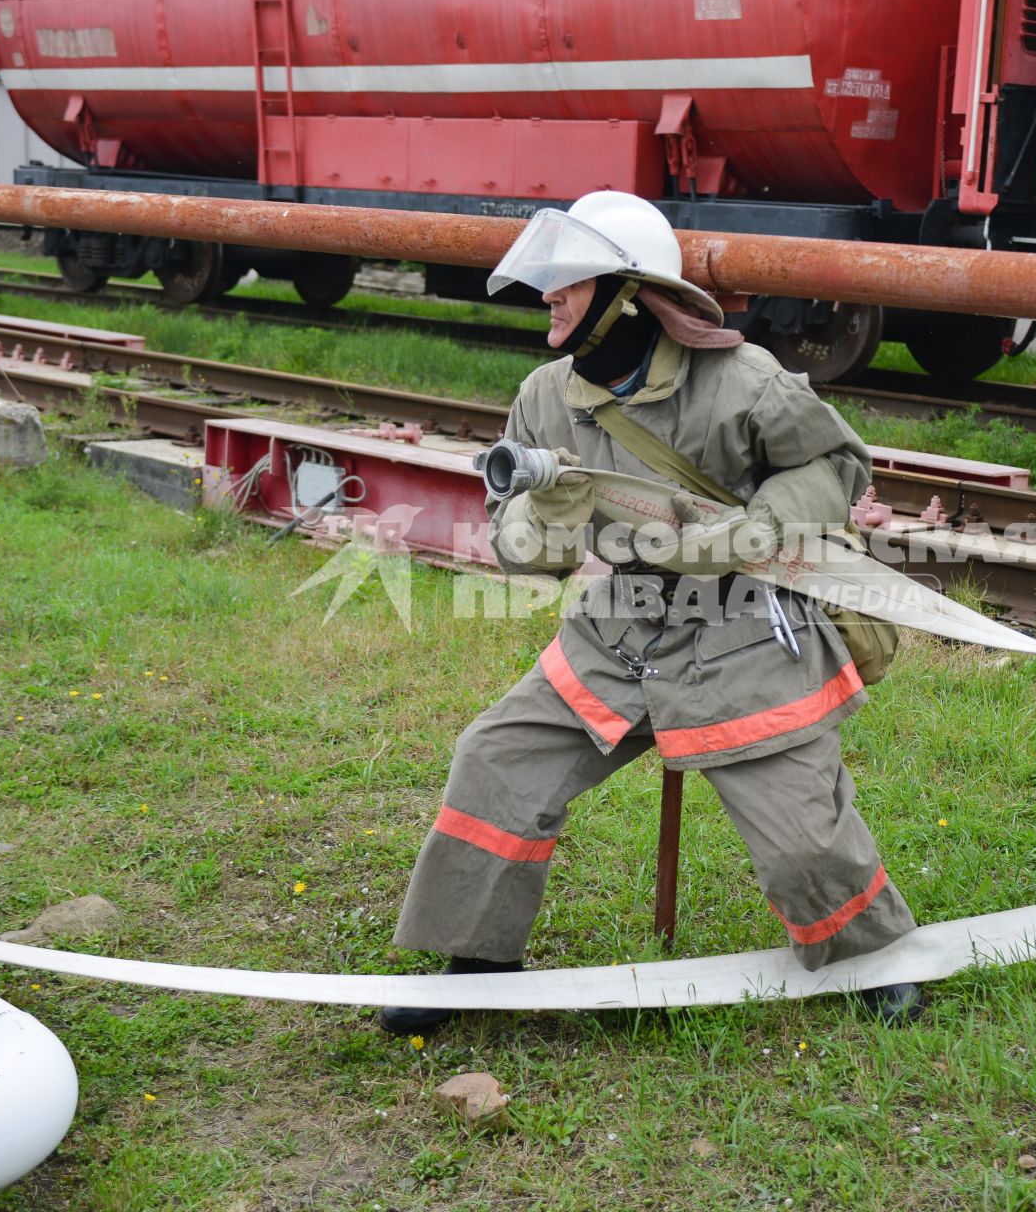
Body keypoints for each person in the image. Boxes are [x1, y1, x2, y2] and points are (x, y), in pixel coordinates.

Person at [379, 192, 921, 1035]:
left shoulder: (743, 382)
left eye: (569, 280)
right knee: (497, 758)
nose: (549, 295)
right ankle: (475, 958)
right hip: (621, 628)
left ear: (627, 294)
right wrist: (545, 523)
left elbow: (834, 466)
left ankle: (871, 957)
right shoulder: (545, 396)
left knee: (802, 837)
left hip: (746, 632)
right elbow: (527, 552)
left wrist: (752, 531)